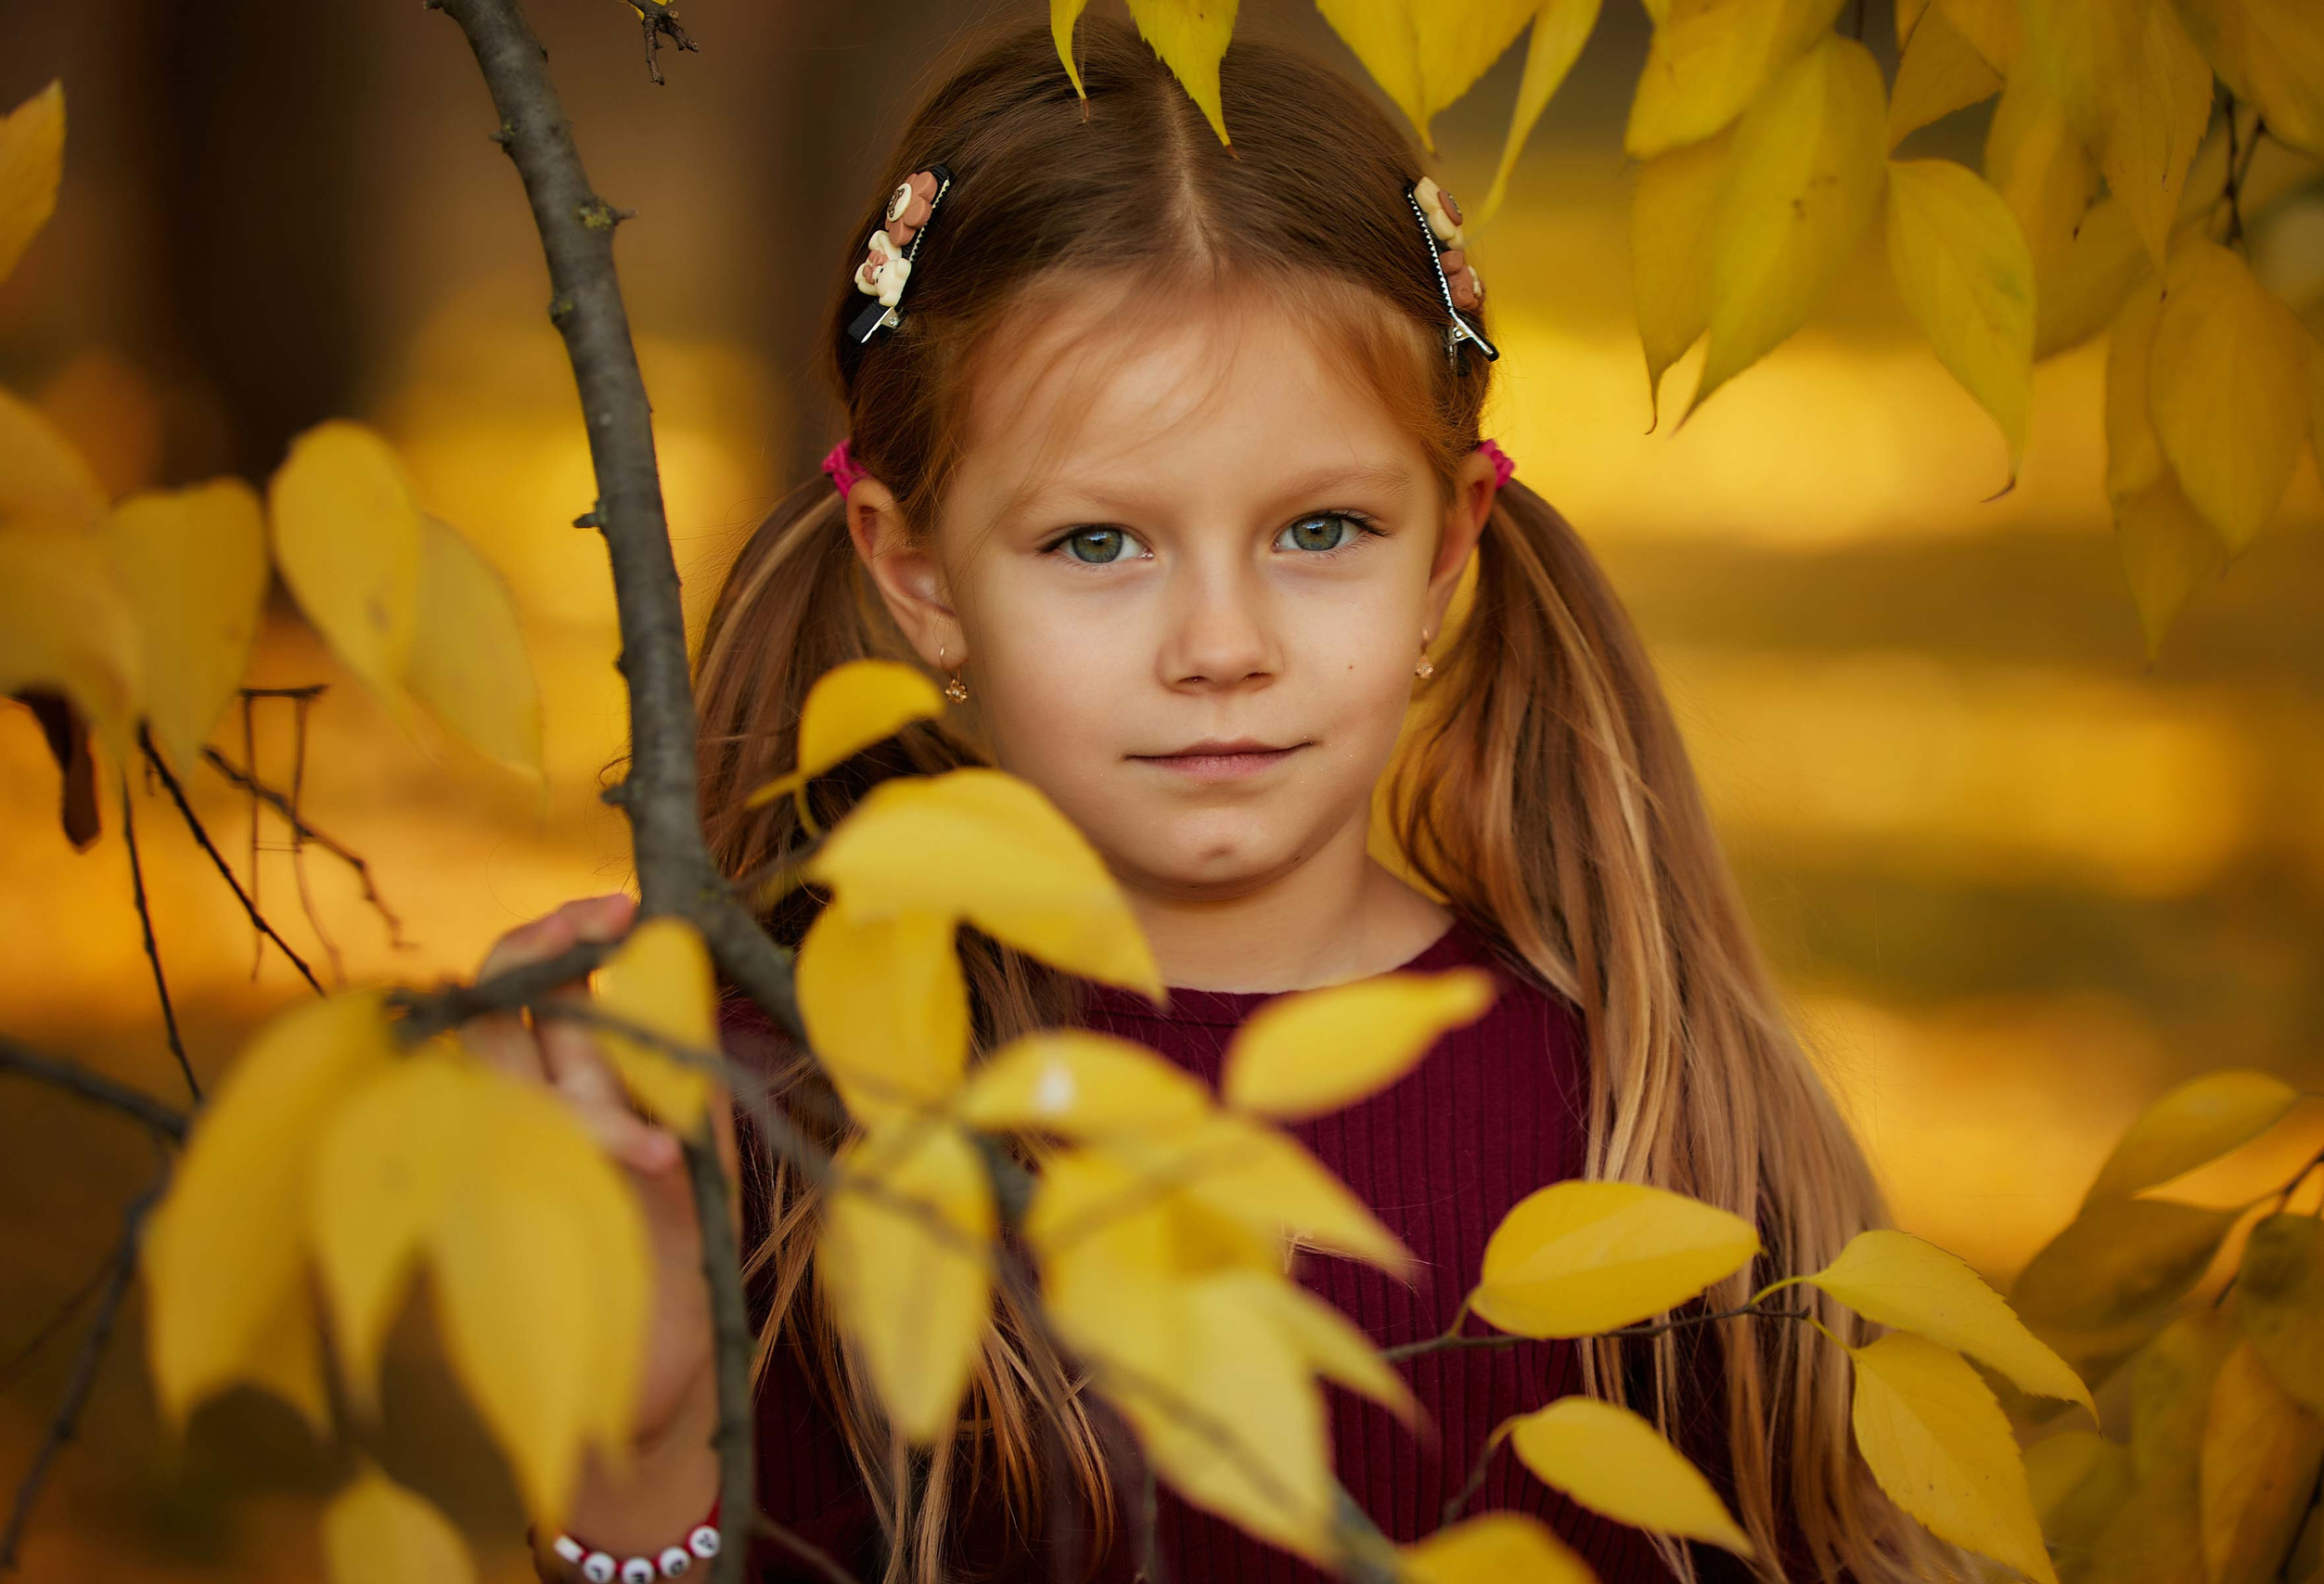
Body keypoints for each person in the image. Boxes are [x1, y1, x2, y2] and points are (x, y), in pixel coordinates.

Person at [468, 15, 1985, 1584]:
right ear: (918, 576)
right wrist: (636, 1455)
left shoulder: (1651, 1112)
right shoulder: (788, 1110)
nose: (1220, 646)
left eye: (1321, 531)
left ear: (1447, 549)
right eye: (1099, 544)